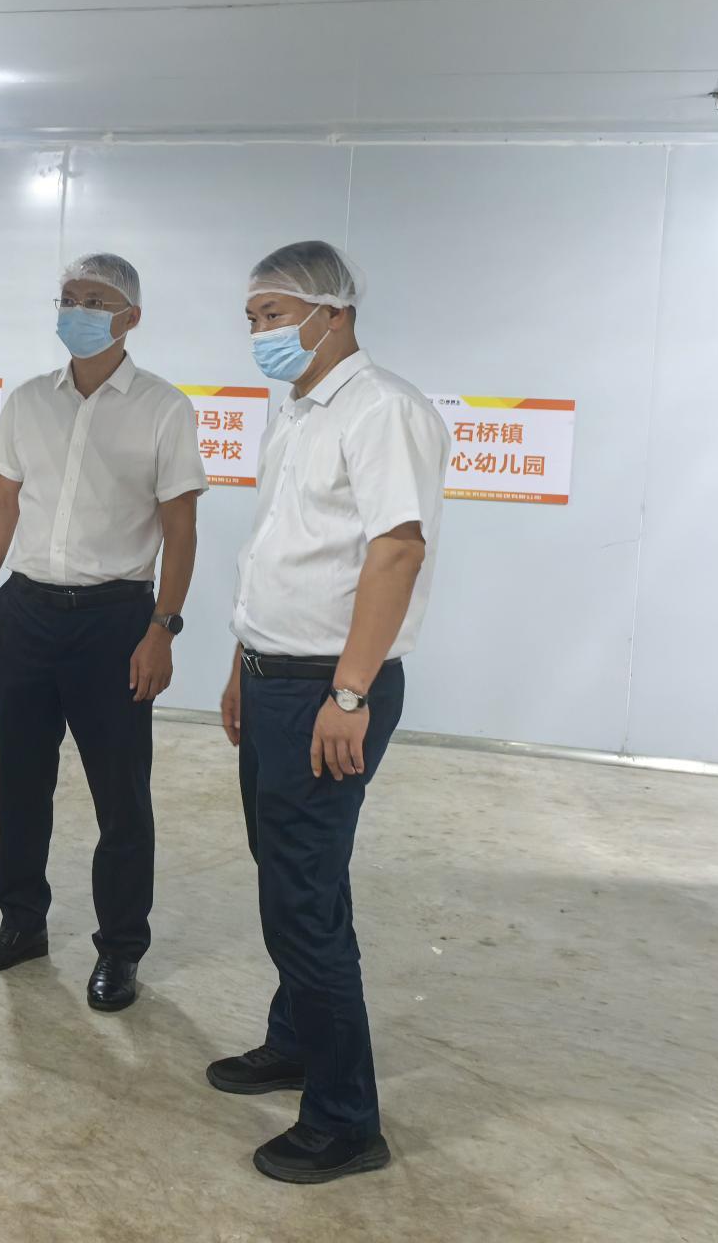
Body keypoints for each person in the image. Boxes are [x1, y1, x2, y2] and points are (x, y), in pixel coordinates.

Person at [209, 241, 447, 1184]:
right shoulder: (300, 411)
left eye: (274, 315)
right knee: (290, 874)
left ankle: (347, 1120)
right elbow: (279, 552)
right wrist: (243, 661)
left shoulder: (382, 409)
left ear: (333, 312)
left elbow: (397, 551)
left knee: (302, 898)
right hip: (275, 675)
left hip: (328, 689)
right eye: (253, 318)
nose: (259, 333)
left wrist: (349, 692)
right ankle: (298, 1039)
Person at [0, 254, 208, 1009]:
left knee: (121, 796)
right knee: (21, 782)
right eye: (68, 298)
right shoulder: (30, 401)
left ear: (131, 316)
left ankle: (120, 948)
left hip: (115, 622)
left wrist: (162, 629)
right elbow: (3, 503)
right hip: (27, 612)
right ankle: (20, 922)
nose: (78, 311)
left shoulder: (163, 408)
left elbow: (181, 528)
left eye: (96, 300)